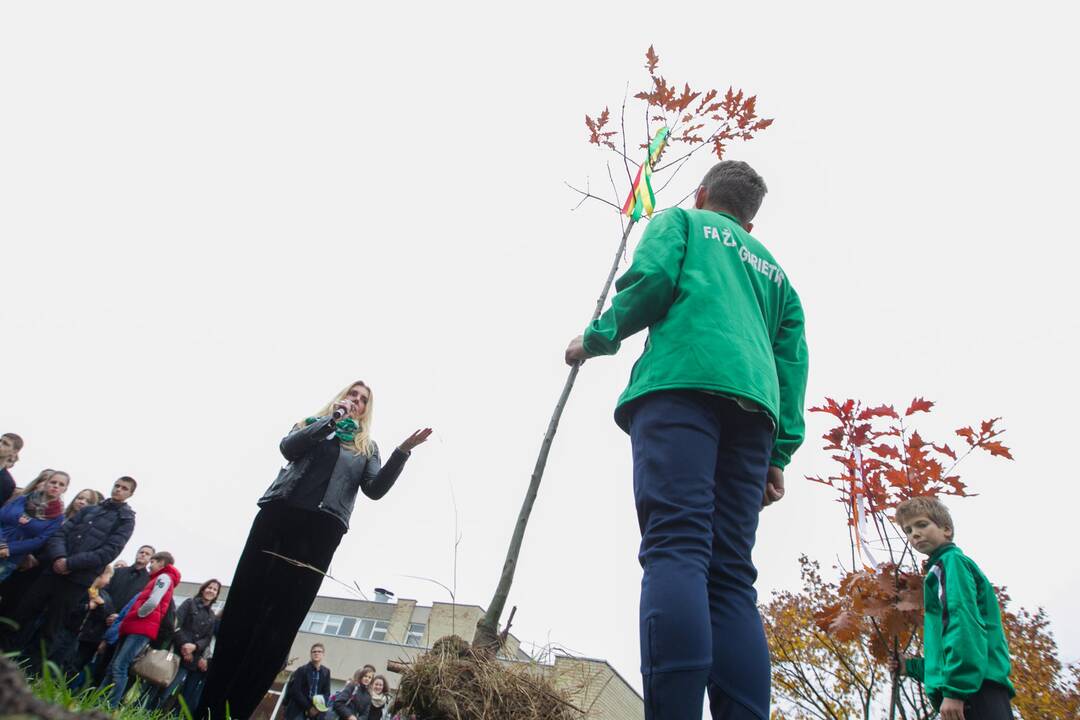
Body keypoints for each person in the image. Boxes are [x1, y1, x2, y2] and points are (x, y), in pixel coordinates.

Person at [565, 160, 809, 720]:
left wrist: (597, 339)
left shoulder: (680, 221)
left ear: (701, 194)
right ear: (751, 221)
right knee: (730, 573)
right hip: (754, 415)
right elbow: (792, 363)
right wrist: (780, 452)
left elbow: (651, 283)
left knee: (677, 545)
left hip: (682, 387)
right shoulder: (775, 274)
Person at [198, 381, 431, 720]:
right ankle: (207, 708)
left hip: (321, 532)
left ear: (368, 410)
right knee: (243, 610)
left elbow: (375, 489)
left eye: (363, 399)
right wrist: (329, 423)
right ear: (340, 398)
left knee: (280, 622)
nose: (355, 401)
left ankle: (235, 710)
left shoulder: (366, 447)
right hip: (278, 517)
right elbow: (289, 449)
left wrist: (402, 452)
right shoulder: (311, 425)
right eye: (352, 394)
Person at [891, 497, 1014, 720]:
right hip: (971, 689)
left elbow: (963, 625)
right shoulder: (939, 569)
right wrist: (910, 667)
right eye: (908, 530)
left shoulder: (951, 563)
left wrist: (956, 690)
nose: (914, 534)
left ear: (946, 530)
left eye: (921, 524)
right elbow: (943, 653)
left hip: (975, 692)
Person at [3, 476, 137, 666]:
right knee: (25, 611)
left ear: (130, 494)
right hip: (53, 570)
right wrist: (59, 558)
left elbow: (109, 551)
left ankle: (31, 667)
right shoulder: (91, 510)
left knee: (52, 625)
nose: (118, 490)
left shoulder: (125, 520)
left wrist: (71, 564)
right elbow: (61, 533)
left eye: (124, 488)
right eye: (117, 486)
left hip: (78, 578)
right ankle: (5, 654)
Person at [107, 551, 181, 708]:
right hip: (135, 627)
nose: (150, 565)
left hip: (141, 628)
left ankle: (109, 705)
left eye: (153, 561)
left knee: (120, 666)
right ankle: (99, 699)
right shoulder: (158, 578)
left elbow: (154, 601)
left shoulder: (164, 577)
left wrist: (139, 614)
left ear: (162, 563)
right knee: (114, 666)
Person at [154, 578, 220, 713]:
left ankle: (153, 713)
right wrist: (185, 645)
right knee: (156, 684)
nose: (211, 591)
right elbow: (176, 624)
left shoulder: (212, 616)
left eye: (214, 589)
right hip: (174, 653)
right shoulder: (189, 603)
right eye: (209, 587)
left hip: (189, 661)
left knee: (168, 691)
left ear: (216, 595)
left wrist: (194, 647)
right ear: (203, 589)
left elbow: (207, 638)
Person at [0, 470, 68, 581]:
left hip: (10, 556)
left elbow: (40, 540)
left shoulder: (57, 517)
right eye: (53, 482)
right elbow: (1, 517)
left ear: (65, 489)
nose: (56, 486)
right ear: (46, 483)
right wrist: (1, 543)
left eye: (61, 484)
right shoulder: (23, 499)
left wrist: (10, 549)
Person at [59, 564, 115, 678]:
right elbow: (68, 608)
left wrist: (101, 605)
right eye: (108, 577)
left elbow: (106, 616)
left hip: (86, 637)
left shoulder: (105, 596)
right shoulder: (83, 589)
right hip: (68, 629)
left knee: (71, 663)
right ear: (101, 575)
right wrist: (87, 606)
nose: (108, 582)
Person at [285, 644, 331, 720]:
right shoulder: (302, 670)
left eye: (319, 651)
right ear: (310, 654)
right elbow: (296, 691)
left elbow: (326, 693)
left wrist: (318, 708)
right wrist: (309, 707)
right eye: (314, 651)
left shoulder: (326, 672)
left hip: (317, 711)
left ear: (323, 654)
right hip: (298, 709)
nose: (316, 653)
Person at [0, 433, 24, 506]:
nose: (0, 444)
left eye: (5, 444)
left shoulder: (7, 482)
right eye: (0, 440)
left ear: (14, 452)